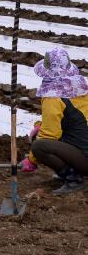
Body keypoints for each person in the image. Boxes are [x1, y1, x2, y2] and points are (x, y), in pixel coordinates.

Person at [20, 48, 88, 195]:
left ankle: (73, 179)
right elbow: (68, 120)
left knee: (39, 146)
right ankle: (69, 169)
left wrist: (32, 160)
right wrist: (40, 126)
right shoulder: (79, 87)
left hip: (85, 158)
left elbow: (50, 135)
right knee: (40, 133)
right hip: (81, 146)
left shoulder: (53, 96)